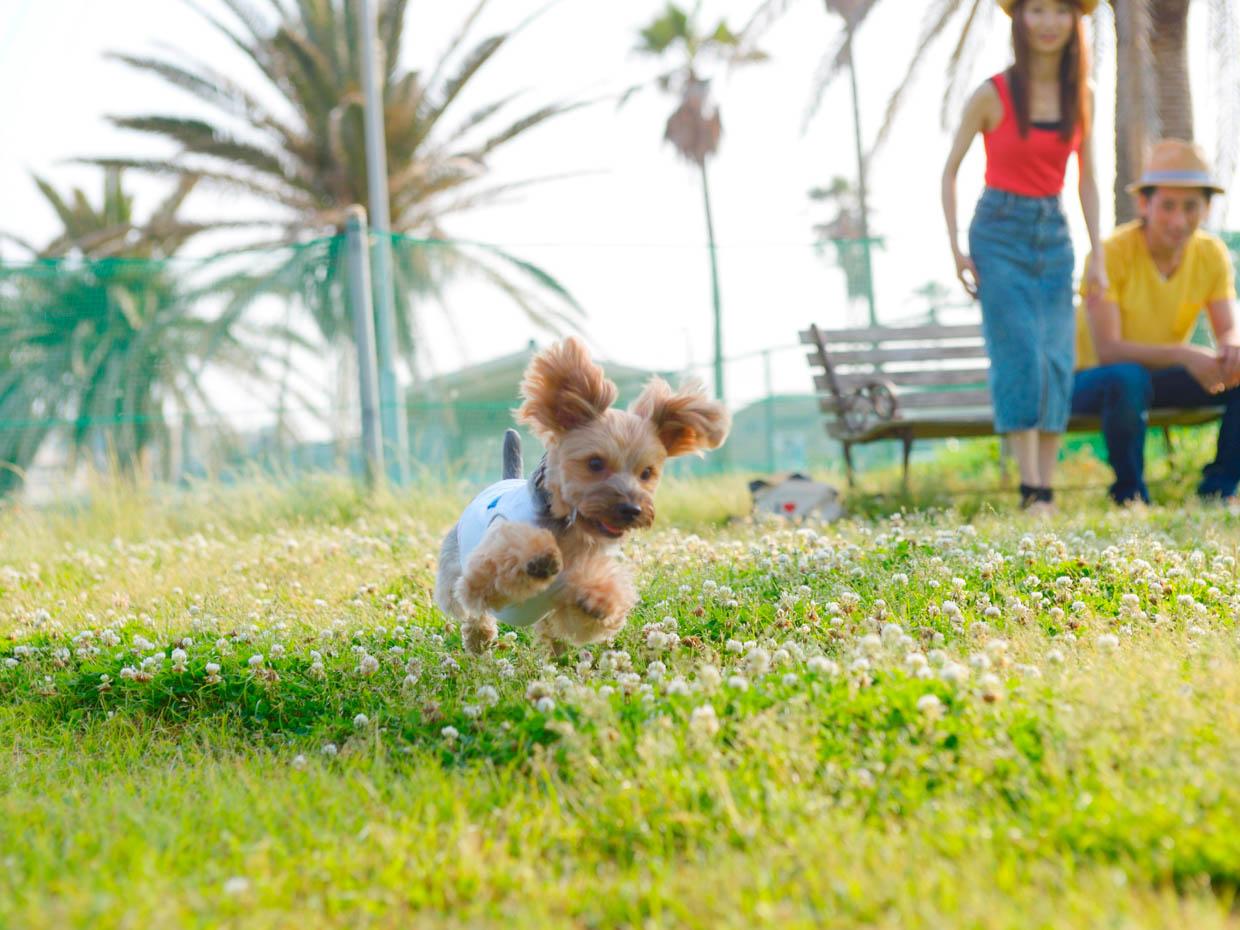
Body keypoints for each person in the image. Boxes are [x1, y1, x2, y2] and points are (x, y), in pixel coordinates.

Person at [942, 0, 1105, 512]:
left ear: (1076, 20)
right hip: (998, 233)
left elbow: (1089, 179)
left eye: (1061, 10)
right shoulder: (992, 93)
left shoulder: (1083, 96)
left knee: (1056, 359)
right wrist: (956, 249)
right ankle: (1030, 490)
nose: (1049, 22)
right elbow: (949, 172)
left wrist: (1097, 253)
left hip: (1055, 235)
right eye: (1037, 10)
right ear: (1019, 19)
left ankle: (1047, 491)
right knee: (1020, 359)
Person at [1072, 138, 1240, 504]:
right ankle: (1131, 496)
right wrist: (1184, 354)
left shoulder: (1211, 254)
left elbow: (1228, 326)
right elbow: (1109, 350)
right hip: (1093, 380)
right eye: (1167, 205)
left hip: (1155, 380)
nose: (1179, 220)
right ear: (1144, 203)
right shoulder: (1110, 254)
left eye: (1191, 206)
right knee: (1127, 377)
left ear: (1207, 207)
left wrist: (1231, 346)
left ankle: (1219, 490)